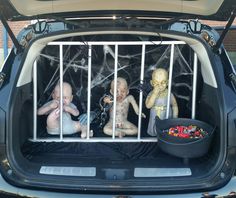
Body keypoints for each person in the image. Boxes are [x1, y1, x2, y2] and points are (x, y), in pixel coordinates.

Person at [145, 68, 178, 136]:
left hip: (167, 114)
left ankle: (166, 134)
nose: (160, 86)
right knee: (154, 126)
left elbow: (174, 105)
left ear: (168, 82)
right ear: (152, 83)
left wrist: (175, 118)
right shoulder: (151, 94)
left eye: (163, 82)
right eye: (156, 83)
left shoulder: (169, 94)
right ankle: (154, 133)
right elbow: (148, 106)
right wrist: (154, 94)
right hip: (155, 115)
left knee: (167, 127)